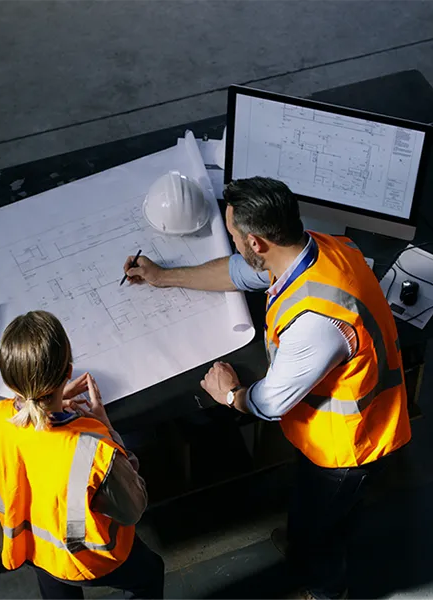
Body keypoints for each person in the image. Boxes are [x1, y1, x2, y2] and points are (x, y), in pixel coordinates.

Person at [123, 176, 411, 600]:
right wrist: (163, 277)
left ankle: (325, 589)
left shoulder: (318, 323)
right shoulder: (318, 248)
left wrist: (228, 393)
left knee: (324, 527)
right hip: (339, 431)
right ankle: (304, 546)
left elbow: (269, 403)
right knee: (313, 511)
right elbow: (240, 272)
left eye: (235, 236)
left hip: (351, 446)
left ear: (257, 242)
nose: (233, 243)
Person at [0, 310, 164, 600]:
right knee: (149, 575)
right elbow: (133, 508)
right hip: (86, 561)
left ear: (9, 381)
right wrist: (105, 428)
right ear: (68, 371)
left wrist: (49, 405)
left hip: (31, 547)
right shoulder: (93, 451)